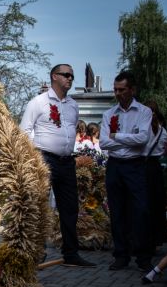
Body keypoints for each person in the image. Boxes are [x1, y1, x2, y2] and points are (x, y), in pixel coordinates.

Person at [20, 63, 95, 267]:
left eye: (72, 75)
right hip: (43, 159)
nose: (70, 78)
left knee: (70, 208)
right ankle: (36, 250)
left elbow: (70, 130)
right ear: (54, 76)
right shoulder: (38, 102)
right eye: (66, 75)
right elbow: (24, 132)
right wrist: (31, 160)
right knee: (40, 207)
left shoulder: (73, 105)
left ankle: (71, 254)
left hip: (66, 161)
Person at [99, 71, 152, 271]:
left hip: (135, 166)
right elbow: (104, 143)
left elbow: (143, 139)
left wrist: (116, 136)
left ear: (132, 89)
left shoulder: (144, 112)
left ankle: (143, 256)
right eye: (115, 89)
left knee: (140, 211)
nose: (118, 93)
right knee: (117, 211)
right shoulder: (109, 114)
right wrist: (128, 138)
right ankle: (121, 255)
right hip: (115, 166)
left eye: (122, 90)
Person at [143, 101, 167, 248]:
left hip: (143, 166)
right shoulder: (162, 131)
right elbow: (163, 151)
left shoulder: (143, 130)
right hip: (156, 168)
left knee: (143, 204)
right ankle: (155, 239)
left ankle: (143, 239)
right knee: (156, 204)